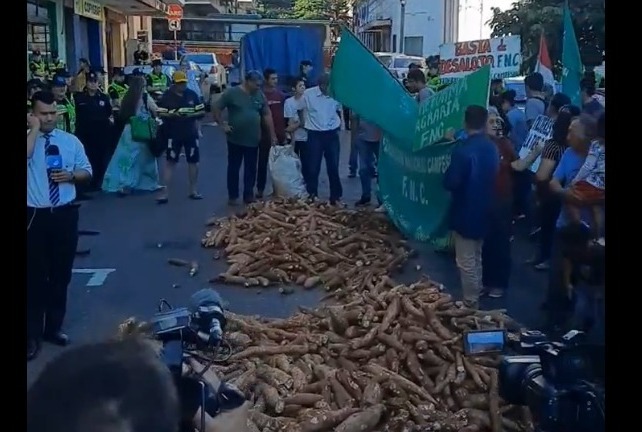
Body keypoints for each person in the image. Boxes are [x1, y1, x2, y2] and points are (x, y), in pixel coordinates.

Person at [27, 91, 93, 361]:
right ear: (33, 113)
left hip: (64, 215)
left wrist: (70, 176)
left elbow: (87, 172)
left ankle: (54, 327)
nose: (50, 118)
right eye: (43, 114)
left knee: (60, 274)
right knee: (33, 277)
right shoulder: (29, 140)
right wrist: (32, 130)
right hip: (34, 216)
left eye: (53, 113)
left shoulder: (70, 142)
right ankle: (31, 333)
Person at [443, 105, 499, 308]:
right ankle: (475, 291)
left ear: (465, 123)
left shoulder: (463, 152)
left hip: (466, 210)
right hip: (487, 207)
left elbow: (450, 182)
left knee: (466, 260)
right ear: (485, 123)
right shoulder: (492, 147)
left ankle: (470, 302)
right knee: (476, 256)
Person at [545, 114, 598, 324]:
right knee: (557, 278)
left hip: (591, 233)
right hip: (565, 227)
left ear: (587, 136)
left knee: (585, 283)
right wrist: (564, 193)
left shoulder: (598, 159)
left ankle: (584, 327)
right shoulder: (568, 153)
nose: (567, 137)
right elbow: (553, 181)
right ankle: (555, 321)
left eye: (571, 132)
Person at [214, 71, 277, 205]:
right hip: (235, 139)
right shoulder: (232, 93)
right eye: (256, 84)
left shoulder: (259, 94)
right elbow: (216, 107)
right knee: (234, 167)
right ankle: (233, 195)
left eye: (260, 84)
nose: (258, 86)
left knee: (250, 168)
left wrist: (272, 135)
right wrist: (222, 124)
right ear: (247, 81)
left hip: (253, 139)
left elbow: (267, 115)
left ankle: (248, 195)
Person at [529, 101, 578, 270]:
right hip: (566, 192)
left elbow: (542, 174)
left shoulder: (553, 146)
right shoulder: (573, 149)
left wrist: (537, 187)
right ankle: (546, 257)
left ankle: (544, 258)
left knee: (548, 227)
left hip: (550, 194)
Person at [560, 112, 605, 296]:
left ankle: (580, 227)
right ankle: (598, 234)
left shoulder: (596, 145)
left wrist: (575, 182)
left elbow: (588, 166)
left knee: (572, 197)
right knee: (595, 207)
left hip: (595, 182)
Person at [102, 76, 161, 195]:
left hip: (128, 131)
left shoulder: (127, 97)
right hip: (143, 131)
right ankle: (144, 182)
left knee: (125, 159)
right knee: (146, 159)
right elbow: (155, 110)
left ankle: (121, 183)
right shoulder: (145, 97)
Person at [481, 107, 517, 298]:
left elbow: (517, 165)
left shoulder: (505, 145)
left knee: (500, 243)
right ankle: (486, 281)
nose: (495, 125)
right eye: (491, 122)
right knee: (485, 243)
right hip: (484, 199)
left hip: (502, 199)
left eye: (497, 122)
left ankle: (498, 283)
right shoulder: (480, 145)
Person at [155, 71, 206, 203]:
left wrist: (193, 121)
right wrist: (173, 114)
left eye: (184, 83)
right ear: (174, 83)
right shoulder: (166, 97)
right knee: (170, 162)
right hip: (173, 134)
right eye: (179, 83)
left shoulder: (192, 94)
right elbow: (160, 113)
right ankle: (165, 192)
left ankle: (193, 190)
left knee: (194, 161)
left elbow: (201, 111)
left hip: (190, 133)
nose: (182, 85)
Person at [302, 73, 344, 205]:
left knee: (333, 167)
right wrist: (304, 123)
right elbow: (299, 108)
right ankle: (312, 194)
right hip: (314, 135)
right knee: (313, 167)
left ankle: (335, 196)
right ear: (319, 85)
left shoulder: (336, 95)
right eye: (324, 87)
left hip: (331, 134)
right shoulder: (308, 95)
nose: (326, 90)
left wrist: (339, 128)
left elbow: (338, 111)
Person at [74, 71, 113, 191]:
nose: (93, 84)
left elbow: (108, 113)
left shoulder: (103, 97)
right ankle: (87, 184)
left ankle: (98, 182)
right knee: (87, 158)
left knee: (100, 159)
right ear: (86, 83)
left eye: (95, 82)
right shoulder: (79, 97)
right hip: (85, 134)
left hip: (101, 134)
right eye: (90, 82)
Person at [256, 68, 286, 198]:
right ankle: (260, 189)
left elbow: (285, 115)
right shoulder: (260, 95)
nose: (275, 81)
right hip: (263, 135)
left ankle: (278, 190)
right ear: (266, 80)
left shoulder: (280, 96)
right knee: (262, 163)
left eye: (276, 78)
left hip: (279, 134)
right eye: (273, 79)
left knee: (279, 165)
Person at [353, 114, 381, 207]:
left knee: (381, 170)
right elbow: (355, 117)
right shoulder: (361, 100)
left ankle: (382, 199)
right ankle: (366, 195)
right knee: (364, 169)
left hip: (379, 138)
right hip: (363, 138)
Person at [284, 77, 308, 180]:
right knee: (294, 164)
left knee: (307, 164)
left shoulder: (308, 100)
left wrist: (297, 124)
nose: (303, 88)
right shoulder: (289, 102)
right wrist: (299, 123)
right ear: (294, 88)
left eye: (303, 85)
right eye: (300, 86)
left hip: (306, 138)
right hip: (294, 138)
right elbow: (289, 124)